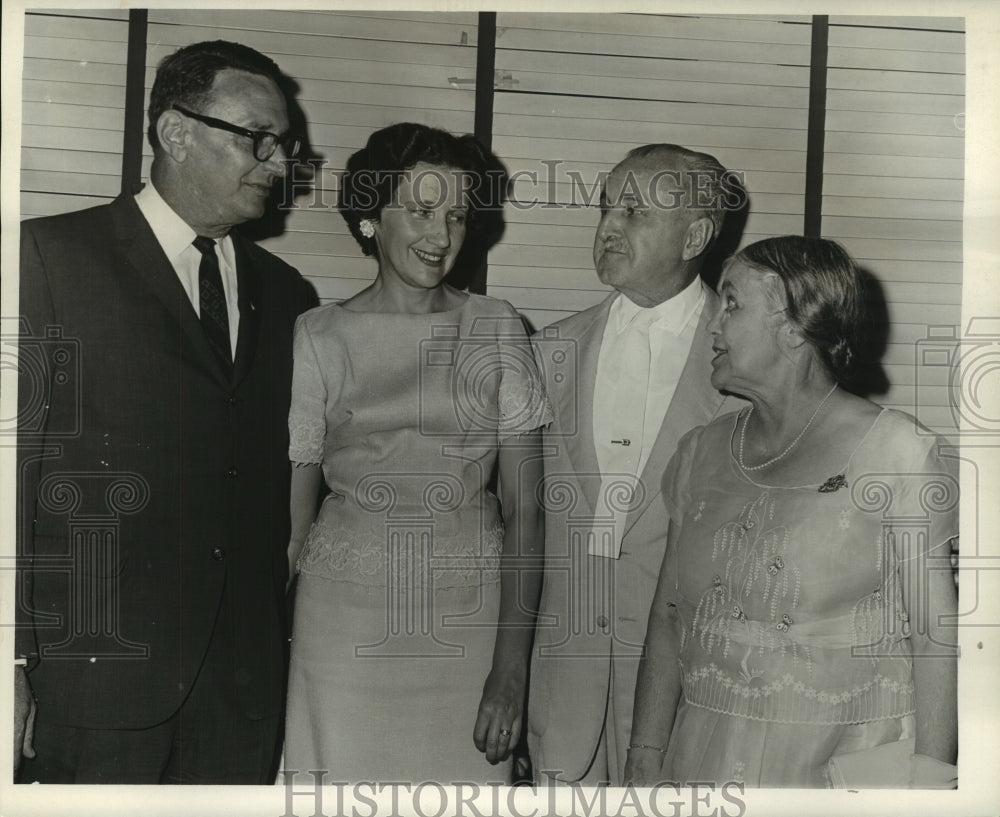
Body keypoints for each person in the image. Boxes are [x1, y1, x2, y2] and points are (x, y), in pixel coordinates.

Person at [15, 40, 318, 783]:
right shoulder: (47, 258)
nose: (278, 163)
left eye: (285, 145)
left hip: (241, 693)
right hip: (95, 680)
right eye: (259, 138)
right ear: (175, 131)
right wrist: (13, 656)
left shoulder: (289, 296)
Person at [625, 236, 958, 788]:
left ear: (796, 327)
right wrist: (644, 750)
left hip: (847, 764)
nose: (714, 325)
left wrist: (930, 783)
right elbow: (668, 617)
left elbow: (933, 634)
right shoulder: (698, 453)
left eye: (732, 304)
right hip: (704, 754)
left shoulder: (898, 451)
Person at [281, 122, 550, 783]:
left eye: (457, 215)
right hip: (341, 628)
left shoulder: (495, 324)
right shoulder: (318, 335)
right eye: (423, 211)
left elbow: (529, 512)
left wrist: (510, 669)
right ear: (371, 216)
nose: (441, 235)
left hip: (467, 621)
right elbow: (291, 530)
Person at [527, 144, 744, 785]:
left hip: (691, 692)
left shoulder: (746, 366)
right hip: (563, 691)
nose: (608, 227)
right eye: (605, 207)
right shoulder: (548, 351)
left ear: (695, 235)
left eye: (635, 211)